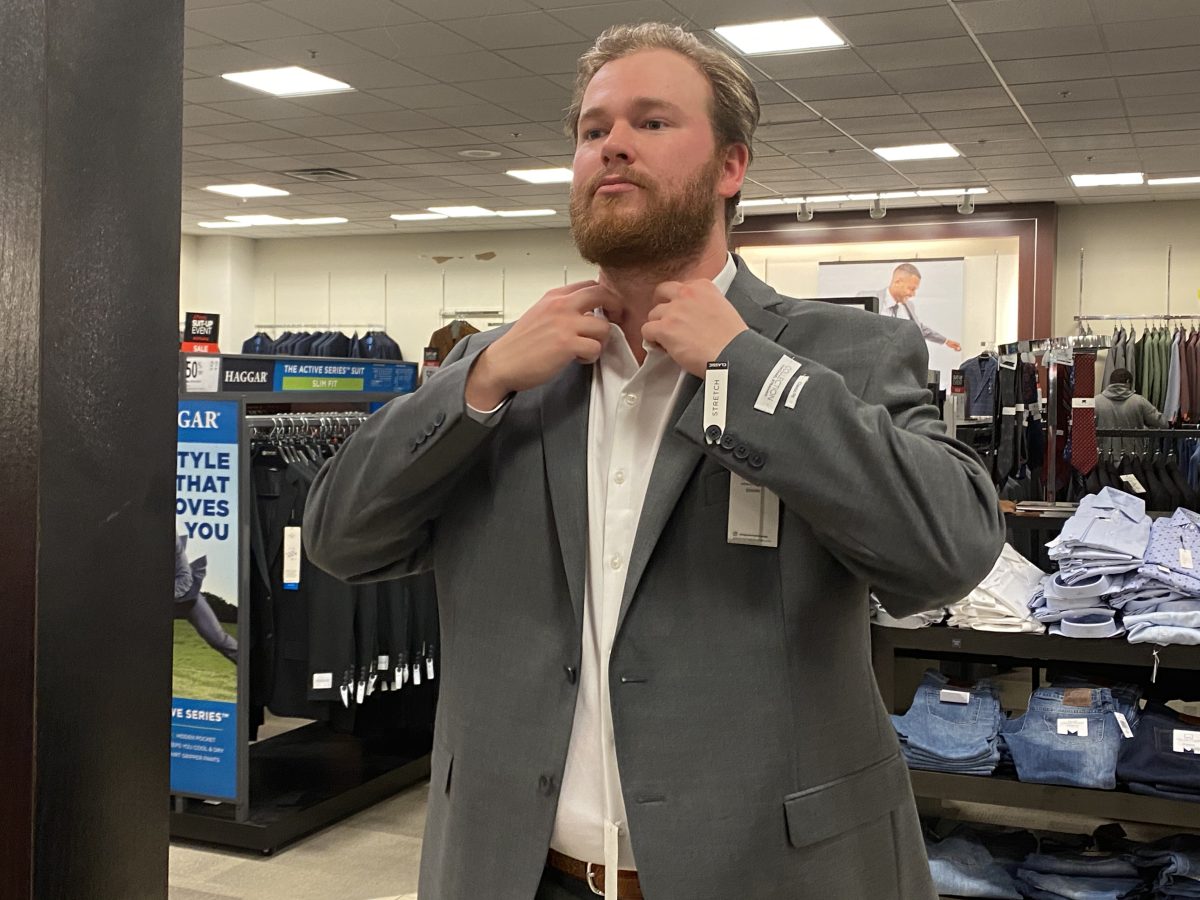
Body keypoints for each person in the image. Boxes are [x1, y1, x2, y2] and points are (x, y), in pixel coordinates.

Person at [304, 22, 1003, 900]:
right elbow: (338, 537)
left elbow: (946, 554)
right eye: (593, 131)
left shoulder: (842, 356)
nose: (613, 146)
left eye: (652, 122)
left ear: (731, 167)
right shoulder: (505, 371)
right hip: (516, 871)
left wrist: (747, 368)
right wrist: (478, 380)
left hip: (768, 877)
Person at [861, 263, 963, 352]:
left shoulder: (909, 306)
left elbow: (919, 328)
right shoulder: (867, 298)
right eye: (911, 289)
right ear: (897, 282)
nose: (913, 294)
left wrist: (945, 341)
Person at [1096, 367, 1166, 456]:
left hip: (1103, 456)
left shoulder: (1096, 402)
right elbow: (1162, 424)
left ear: (1110, 382)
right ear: (1128, 382)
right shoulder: (1139, 401)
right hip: (1133, 458)